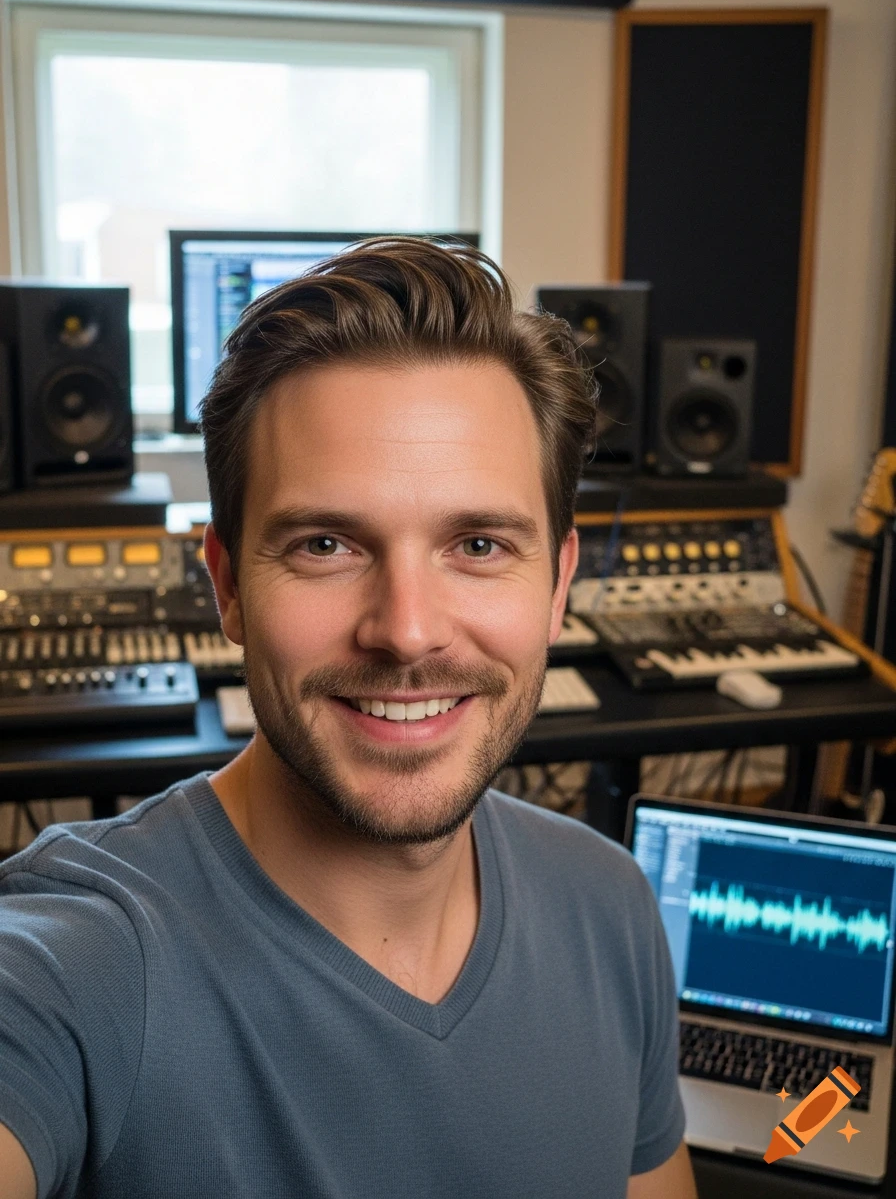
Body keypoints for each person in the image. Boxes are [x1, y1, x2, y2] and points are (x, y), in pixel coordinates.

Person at [0, 238, 696, 1199]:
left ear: (558, 583)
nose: (407, 632)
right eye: (325, 544)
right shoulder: (75, 965)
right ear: (229, 584)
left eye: (480, 544)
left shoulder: (612, 907)